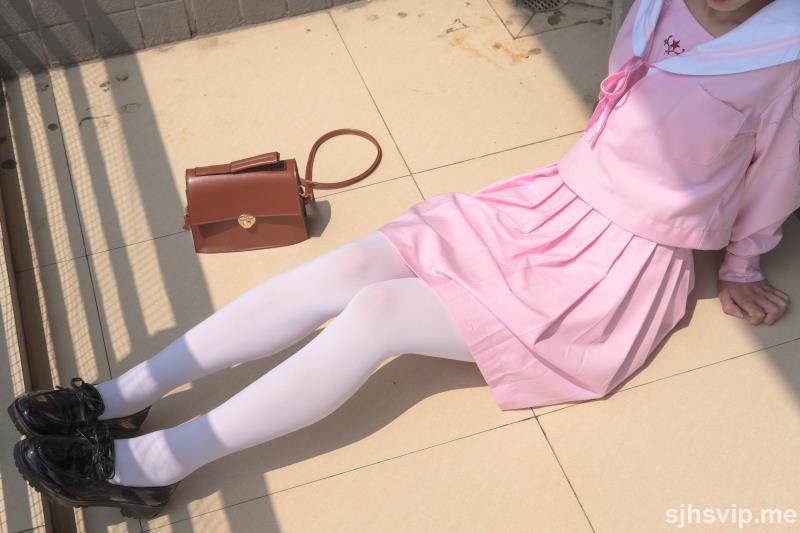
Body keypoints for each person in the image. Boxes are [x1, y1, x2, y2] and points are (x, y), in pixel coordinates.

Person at [9, 0, 799, 520]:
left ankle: (154, 462)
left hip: (612, 268)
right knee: (351, 266)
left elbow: (777, 173)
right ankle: (119, 395)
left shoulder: (784, 51)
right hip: (547, 204)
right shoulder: (658, 3)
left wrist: (742, 265)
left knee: (377, 315)